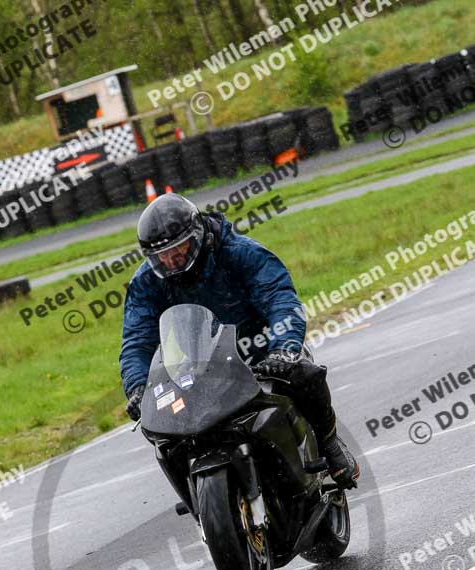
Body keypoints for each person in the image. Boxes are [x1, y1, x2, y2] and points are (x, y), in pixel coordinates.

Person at [120, 193, 359, 489]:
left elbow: (279, 297)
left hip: (261, 354)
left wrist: (283, 348)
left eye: (176, 248)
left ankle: (330, 444)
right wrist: (137, 386)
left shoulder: (239, 252)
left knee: (305, 376)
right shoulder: (146, 282)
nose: (170, 259)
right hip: (198, 366)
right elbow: (136, 339)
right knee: (157, 423)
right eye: (161, 256)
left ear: (197, 236)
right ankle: (194, 492)